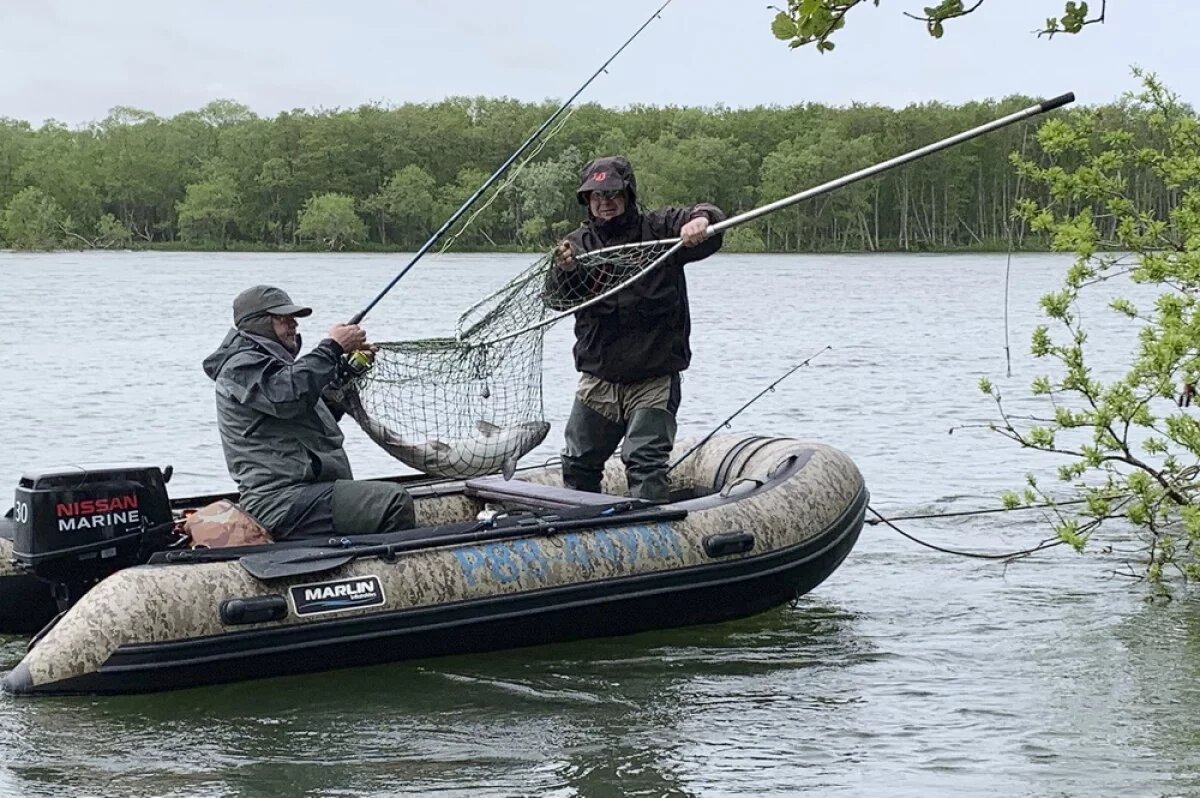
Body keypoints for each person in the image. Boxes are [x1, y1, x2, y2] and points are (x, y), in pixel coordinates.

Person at [546, 155, 726, 503]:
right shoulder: (577, 245)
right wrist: (564, 271)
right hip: (599, 380)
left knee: (644, 463)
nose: (605, 203)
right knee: (578, 462)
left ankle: (654, 538)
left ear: (628, 194)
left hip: (653, 378)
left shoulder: (659, 230)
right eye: (596, 196)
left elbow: (711, 219)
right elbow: (557, 299)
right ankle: (581, 532)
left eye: (612, 194)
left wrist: (701, 221)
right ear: (587, 201)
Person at [202, 285, 416, 540]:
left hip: (308, 493)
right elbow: (287, 395)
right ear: (258, 323)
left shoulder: (276, 369)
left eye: (294, 318)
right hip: (278, 501)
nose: (293, 324)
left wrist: (349, 371)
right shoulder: (240, 366)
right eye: (283, 318)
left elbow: (314, 410)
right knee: (391, 501)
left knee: (381, 498)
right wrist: (332, 348)